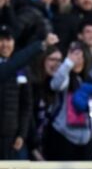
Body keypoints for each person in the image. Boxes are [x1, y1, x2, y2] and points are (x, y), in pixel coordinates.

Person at [0, 25, 59, 159]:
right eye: (1, 40)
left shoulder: (22, 69)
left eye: (8, 40)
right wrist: (41, 44)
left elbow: (26, 105)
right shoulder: (14, 65)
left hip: (12, 136)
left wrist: (22, 134)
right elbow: (8, 68)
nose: (4, 45)